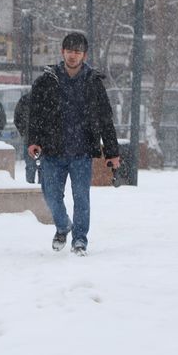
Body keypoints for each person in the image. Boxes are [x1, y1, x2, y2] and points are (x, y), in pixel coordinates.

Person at [28, 32, 120, 256]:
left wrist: (112, 151)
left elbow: (105, 119)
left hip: (81, 151)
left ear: (84, 55)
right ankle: (62, 226)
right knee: (50, 195)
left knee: (81, 197)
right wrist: (33, 140)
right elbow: (35, 114)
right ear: (62, 52)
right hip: (52, 150)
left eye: (77, 52)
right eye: (69, 51)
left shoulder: (93, 83)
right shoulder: (47, 80)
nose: (72, 55)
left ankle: (80, 240)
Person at [14, 91, 38, 184]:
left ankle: (31, 187)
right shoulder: (45, 98)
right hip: (35, 139)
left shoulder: (25, 99)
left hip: (30, 139)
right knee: (38, 166)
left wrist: (24, 132)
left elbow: (17, 118)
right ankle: (39, 190)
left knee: (32, 165)